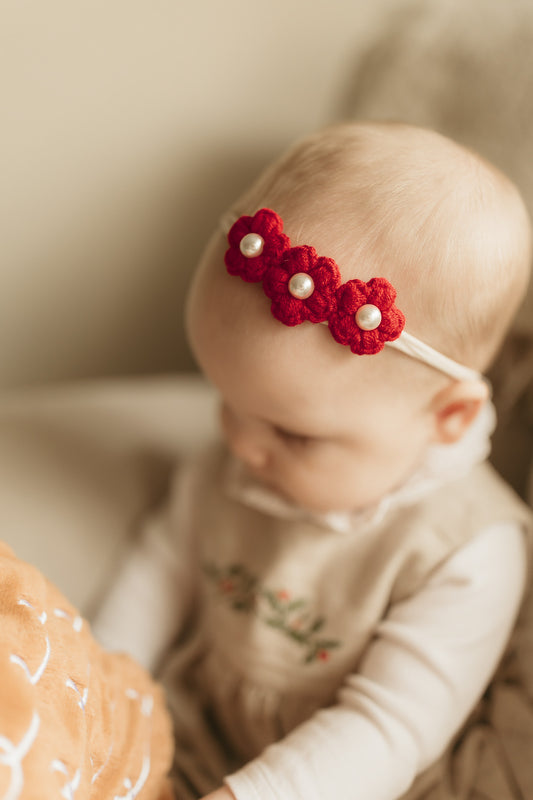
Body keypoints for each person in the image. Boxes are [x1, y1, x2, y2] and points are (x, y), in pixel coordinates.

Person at [93, 121, 533, 800]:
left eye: (291, 434)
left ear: (449, 417)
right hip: (193, 737)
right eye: (226, 401)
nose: (239, 444)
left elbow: (386, 728)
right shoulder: (238, 456)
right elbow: (162, 568)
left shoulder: (466, 552)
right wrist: (105, 686)